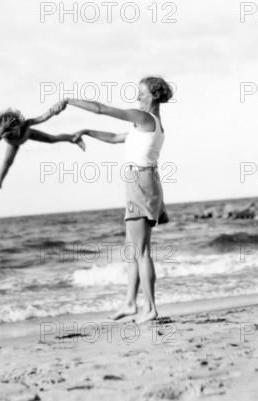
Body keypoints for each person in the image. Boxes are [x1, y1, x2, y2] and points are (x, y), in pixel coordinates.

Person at [55, 76, 173, 324]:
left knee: (140, 251)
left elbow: (101, 109)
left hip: (140, 183)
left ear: (153, 95)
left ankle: (150, 308)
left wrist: (68, 99)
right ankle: (130, 303)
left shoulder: (145, 118)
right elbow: (112, 138)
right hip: (142, 182)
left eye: (141, 93)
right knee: (132, 250)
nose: (137, 97)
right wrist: (86, 131)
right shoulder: (147, 126)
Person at [0, 104, 86, 196]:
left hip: (29, 134)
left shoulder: (26, 124)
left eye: (14, 133)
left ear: (20, 124)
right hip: (13, 145)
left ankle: (73, 138)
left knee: (52, 139)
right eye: (9, 136)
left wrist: (55, 110)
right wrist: (3, 127)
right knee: (7, 162)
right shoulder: (2, 133)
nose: (12, 136)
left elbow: (42, 118)